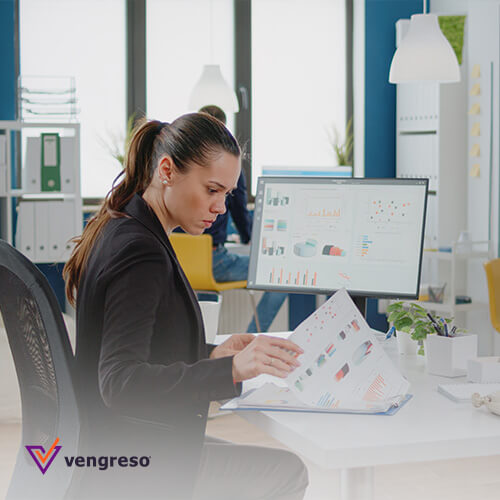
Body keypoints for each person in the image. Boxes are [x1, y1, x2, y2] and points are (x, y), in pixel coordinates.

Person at [63, 113, 308, 499]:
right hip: (131, 457)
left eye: (226, 194)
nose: (221, 207)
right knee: (287, 471)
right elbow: (120, 382)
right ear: (167, 170)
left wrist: (212, 355)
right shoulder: (141, 251)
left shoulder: (128, 226)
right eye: (212, 190)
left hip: (119, 443)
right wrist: (228, 371)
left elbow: (143, 347)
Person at [197, 105, 288, 333]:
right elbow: (238, 209)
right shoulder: (228, 167)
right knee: (280, 275)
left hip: (180, 261)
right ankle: (252, 336)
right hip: (213, 260)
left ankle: (203, 339)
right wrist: (248, 237)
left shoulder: (188, 166)